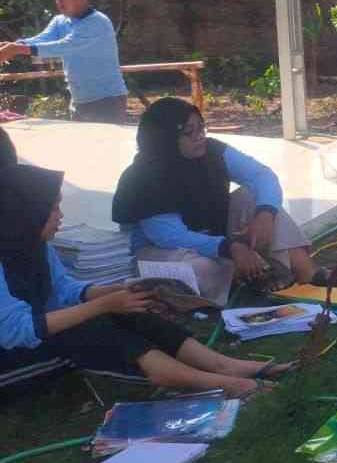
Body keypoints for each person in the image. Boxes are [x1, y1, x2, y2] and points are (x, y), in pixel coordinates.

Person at [1, 164, 288, 397]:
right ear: (26, 215)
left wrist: (121, 291)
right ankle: (210, 382)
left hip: (33, 336)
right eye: (52, 209)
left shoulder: (36, 246)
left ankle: (224, 366)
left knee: (127, 310)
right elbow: (16, 331)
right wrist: (102, 306)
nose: (60, 216)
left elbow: (63, 291)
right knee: (88, 325)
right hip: (10, 361)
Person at [112, 98, 323, 304]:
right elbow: (170, 236)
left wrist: (265, 214)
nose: (199, 137)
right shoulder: (143, 176)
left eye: (201, 128)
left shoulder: (213, 152)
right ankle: (248, 274)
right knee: (200, 269)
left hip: (218, 240)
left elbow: (262, 176)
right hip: (162, 251)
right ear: (164, 138)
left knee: (252, 197)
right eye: (189, 133)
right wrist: (229, 247)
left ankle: (307, 271)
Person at [0, 0, 128, 123]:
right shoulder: (60, 21)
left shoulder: (97, 22)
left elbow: (64, 46)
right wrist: (12, 45)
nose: (59, 3)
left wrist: (15, 49)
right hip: (79, 100)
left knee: (105, 145)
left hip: (107, 100)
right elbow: (41, 39)